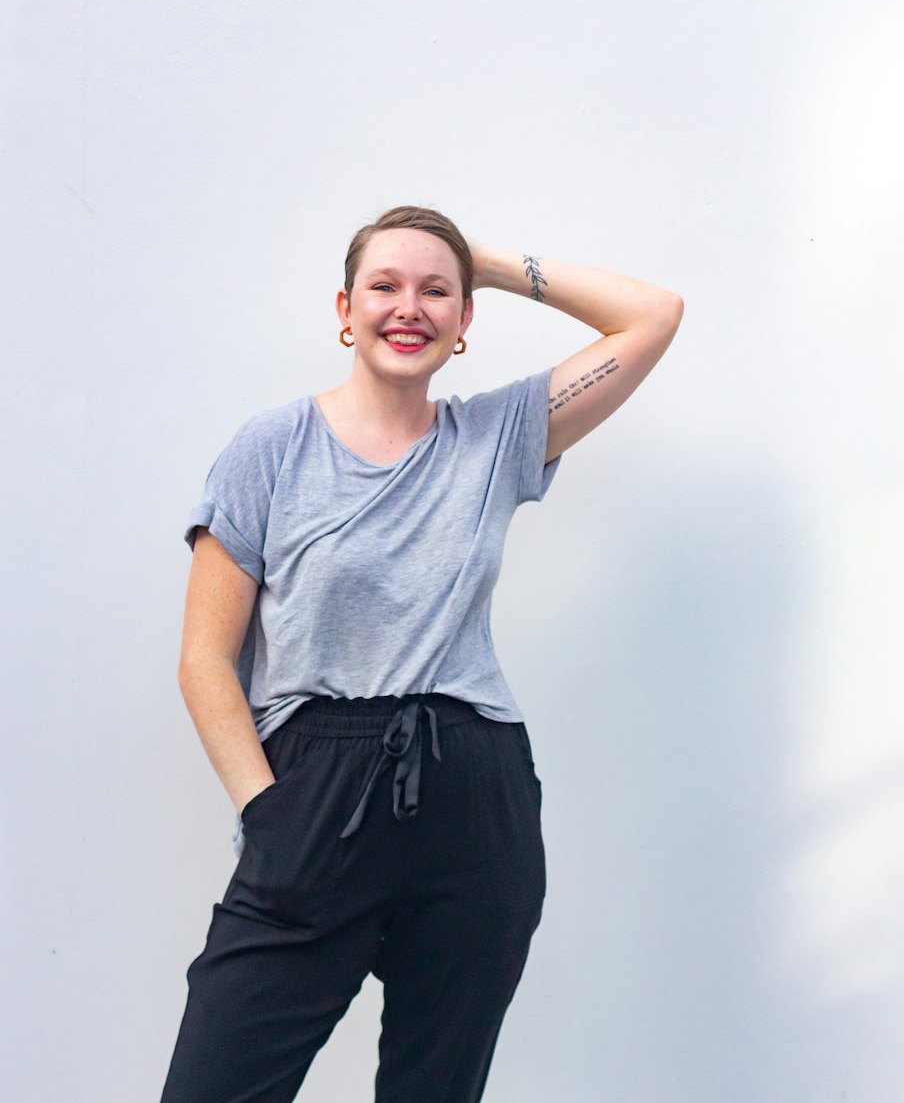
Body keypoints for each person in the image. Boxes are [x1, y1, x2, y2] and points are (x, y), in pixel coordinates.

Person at [161, 205, 683, 1103]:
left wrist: (474, 255)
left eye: (436, 291)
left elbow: (653, 315)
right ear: (344, 308)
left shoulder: (495, 436)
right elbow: (205, 658)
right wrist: (270, 814)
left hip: (472, 793)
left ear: (466, 319)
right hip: (315, 791)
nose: (410, 306)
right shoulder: (271, 448)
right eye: (386, 286)